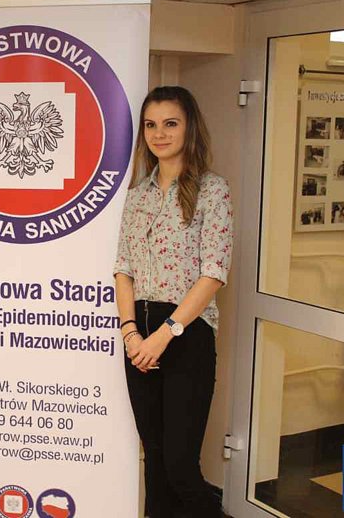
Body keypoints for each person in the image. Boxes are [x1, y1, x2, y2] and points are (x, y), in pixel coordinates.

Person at [114, 86, 233, 518]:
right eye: (151, 125)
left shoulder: (212, 191)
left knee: (181, 468)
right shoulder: (137, 194)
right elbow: (123, 269)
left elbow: (213, 274)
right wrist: (131, 333)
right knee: (156, 462)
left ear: (189, 128)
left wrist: (163, 336)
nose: (159, 134)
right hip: (138, 335)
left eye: (170, 123)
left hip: (186, 334)